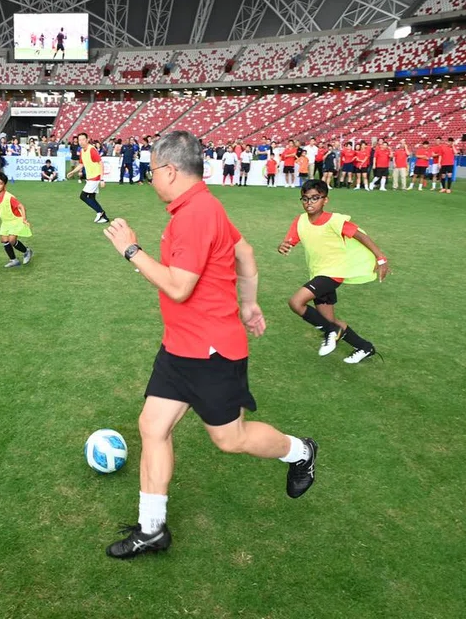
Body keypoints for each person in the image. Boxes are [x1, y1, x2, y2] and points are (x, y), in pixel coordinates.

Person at [99, 131, 318, 560]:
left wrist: (131, 251)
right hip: (179, 347)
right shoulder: (203, 205)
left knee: (230, 439)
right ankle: (151, 529)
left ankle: (301, 450)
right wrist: (250, 303)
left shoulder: (196, 214)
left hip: (212, 352)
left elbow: (179, 287)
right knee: (152, 427)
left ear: (170, 170)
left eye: (151, 170)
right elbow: (246, 254)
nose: (149, 178)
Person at [278, 179, 390, 364]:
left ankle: (332, 332)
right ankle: (364, 347)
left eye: (315, 198)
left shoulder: (335, 221)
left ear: (325, 200)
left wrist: (381, 258)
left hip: (333, 273)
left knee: (296, 302)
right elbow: (289, 241)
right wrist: (283, 246)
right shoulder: (300, 221)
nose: (309, 203)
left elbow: (361, 236)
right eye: (305, 199)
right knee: (328, 320)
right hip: (318, 274)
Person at [0, 172, 33, 268]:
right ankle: (14, 260)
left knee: (12, 240)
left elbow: (21, 206)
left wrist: (24, 219)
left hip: (16, 220)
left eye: (0, 183)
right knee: (4, 239)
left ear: (4, 185)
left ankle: (27, 251)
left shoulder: (9, 197)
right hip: (6, 222)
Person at [66, 132, 110, 224]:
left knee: (83, 196)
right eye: (79, 140)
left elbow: (100, 163)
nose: (81, 142)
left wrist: (102, 179)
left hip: (95, 177)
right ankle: (103, 217)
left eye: (83, 140)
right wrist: (72, 172)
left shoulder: (91, 150)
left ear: (87, 140)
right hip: (90, 177)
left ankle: (100, 212)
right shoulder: (82, 151)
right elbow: (81, 164)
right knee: (91, 197)